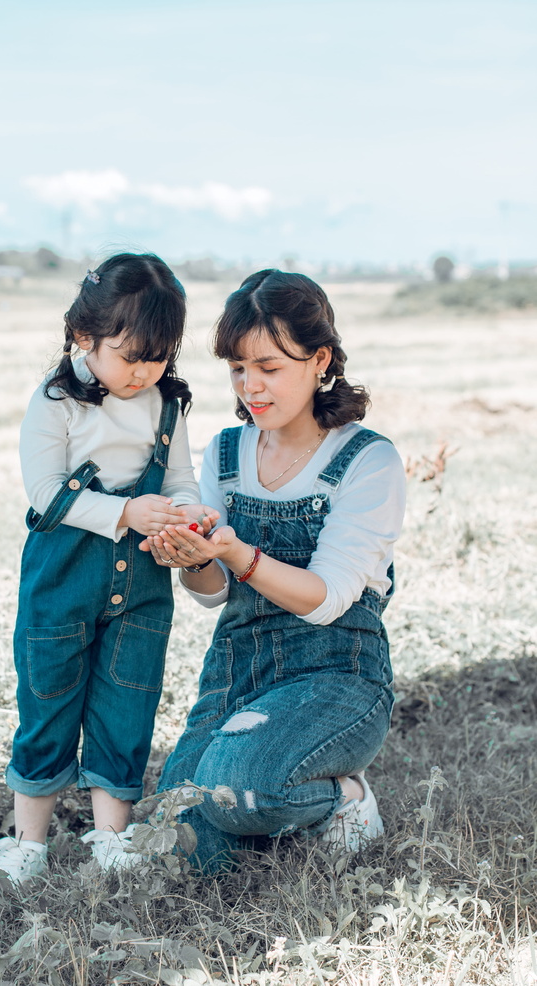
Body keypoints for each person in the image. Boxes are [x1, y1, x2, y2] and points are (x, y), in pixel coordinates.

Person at [143, 269, 406, 871]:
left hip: (337, 674)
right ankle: (277, 796)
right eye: (237, 367)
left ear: (320, 360)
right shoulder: (228, 453)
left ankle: (344, 796)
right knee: (179, 839)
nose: (250, 386)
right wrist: (194, 558)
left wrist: (238, 554)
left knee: (242, 794)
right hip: (237, 668)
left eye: (269, 367)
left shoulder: (368, 460)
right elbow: (211, 595)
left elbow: (328, 598)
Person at [0, 253, 218, 882]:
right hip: (62, 579)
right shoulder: (57, 401)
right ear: (83, 337)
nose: (143, 371)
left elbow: (178, 482)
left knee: (128, 705)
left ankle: (111, 842)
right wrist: (125, 513)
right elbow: (45, 494)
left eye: (159, 356)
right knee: (48, 703)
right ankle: (28, 846)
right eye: (129, 355)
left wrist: (187, 514)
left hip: (143, 585)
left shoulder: (164, 403)